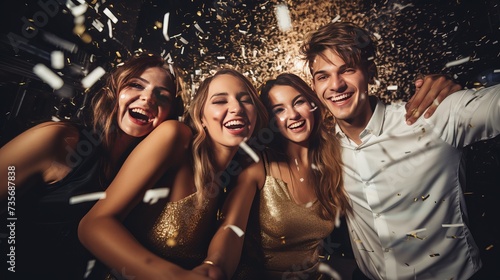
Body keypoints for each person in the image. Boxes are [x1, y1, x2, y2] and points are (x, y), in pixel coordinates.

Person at [300, 21, 500, 279]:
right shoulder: (325, 149)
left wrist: (452, 85)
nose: (335, 85)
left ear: (370, 73)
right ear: (315, 87)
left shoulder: (432, 116)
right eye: (323, 76)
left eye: (347, 70)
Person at [0, 52, 184, 279]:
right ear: (114, 91)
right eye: (136, 85)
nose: (148, 99)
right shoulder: (58, 140)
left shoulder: (144, 174)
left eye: (162, 95)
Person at [77, 68, 268, 280]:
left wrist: (212, 267)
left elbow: (231, 231)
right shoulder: (175, 137)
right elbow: (93, 225)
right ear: (201, 117)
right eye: (220, 101)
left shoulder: (244, 169)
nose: (236, 108)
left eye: (245, 100)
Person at [193, 73, 351, 279]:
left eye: (299, 102)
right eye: (279, 110)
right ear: (270, 120)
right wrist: (214, 266)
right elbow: (231, 228)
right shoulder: (257, 163)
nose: (293, 115)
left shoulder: (332, 160)